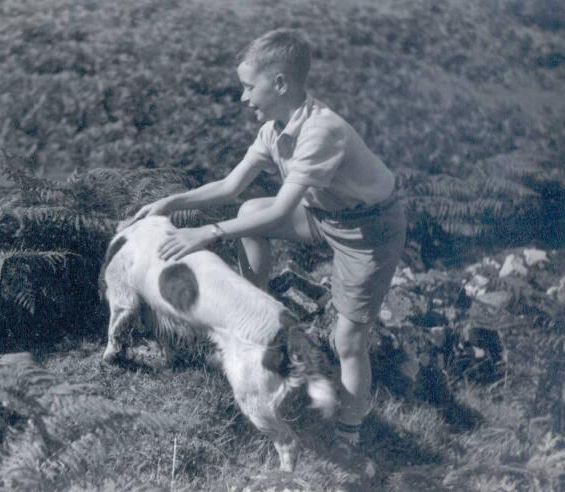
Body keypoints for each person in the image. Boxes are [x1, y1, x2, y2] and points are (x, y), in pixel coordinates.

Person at [133, 28, 406, 476]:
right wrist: (170, 202)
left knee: (348, 340)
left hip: (369, 232)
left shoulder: (322, 131)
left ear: (279, 83)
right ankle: (254, 319)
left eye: (248, 86)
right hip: (325, 214)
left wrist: (209, 233)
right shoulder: (273, 129)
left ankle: (349, 435)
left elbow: (281, 209)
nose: (243, 98)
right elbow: (230, 186)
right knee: (249, 208)